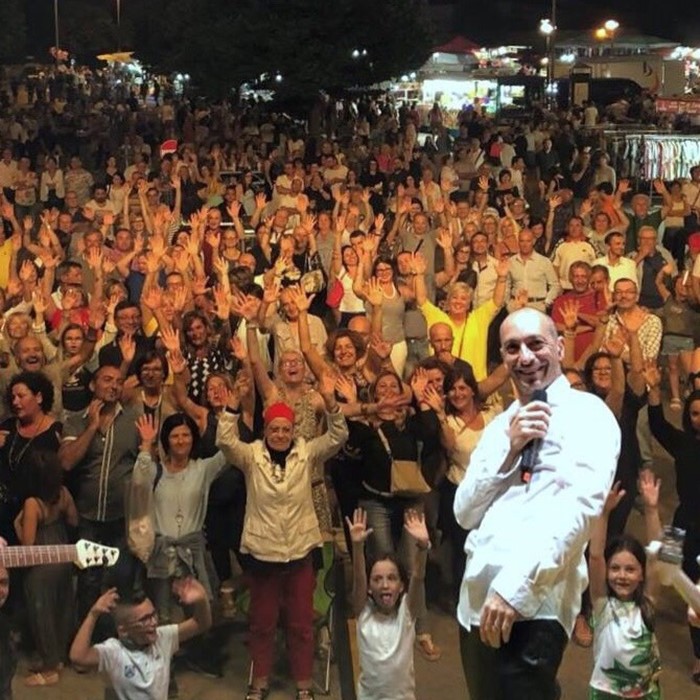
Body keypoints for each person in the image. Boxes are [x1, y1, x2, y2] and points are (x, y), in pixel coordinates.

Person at [454, 308, 621, 700]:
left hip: (532, 606)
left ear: (560, 348)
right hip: (474, 602)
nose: (525, 357)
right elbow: (464, 512)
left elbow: (579, 511)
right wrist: (510, 450)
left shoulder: (588, 414)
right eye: (513, 348)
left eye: (536, 344)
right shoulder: (502, 425)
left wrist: (515, 589)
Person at [216, 374, 348, 700]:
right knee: (262, 624)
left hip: (300, 552)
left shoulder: (307, 453)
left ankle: (303, 685)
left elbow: (338, 435)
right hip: (263, 554)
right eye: (274, 429)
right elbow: (225, 441)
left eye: (285, 429)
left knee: (301, 625)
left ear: (293, 431)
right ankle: (259, 682)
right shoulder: (251, 456)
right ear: (265, 430)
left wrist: (331, 402)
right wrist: (233, 404)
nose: (279, 435)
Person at [69, 577, 212, 700]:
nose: (153, 622)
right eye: (144, 619)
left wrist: (201, 599)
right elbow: (78, 657)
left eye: (153, 615)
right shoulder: (114, 652)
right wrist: (93, 614)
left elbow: (201, 623)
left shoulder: (163, 637)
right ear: (123, 630)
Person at [587, 483, 661, 699]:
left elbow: (656, 558)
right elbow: (596, 556)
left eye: (630, 569)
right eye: (615, 568)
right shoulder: (602, 604)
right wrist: (604, 514)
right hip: (605, 692)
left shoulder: (648, 603)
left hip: (645, 693)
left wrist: (651, 510)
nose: (622, 575)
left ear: (642, 574)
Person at [348, 507, 429, 700]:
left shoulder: (406, 613)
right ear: (369, 588)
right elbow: (359, 577)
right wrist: (357, 547)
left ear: (401, 586)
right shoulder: (364, 612)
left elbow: (418, 577)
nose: (384, 585)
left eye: (392, 578)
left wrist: (422, 547)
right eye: (377, 579)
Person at [13, 451, 77, 687]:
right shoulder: (64, 493)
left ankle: (50, 670)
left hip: (41, 566)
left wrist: (17, 525)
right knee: (60, 610)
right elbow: (74, 521)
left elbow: (28, 547)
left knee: (42, 616)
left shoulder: (32, 504)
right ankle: (57, 659)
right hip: (62, 558)